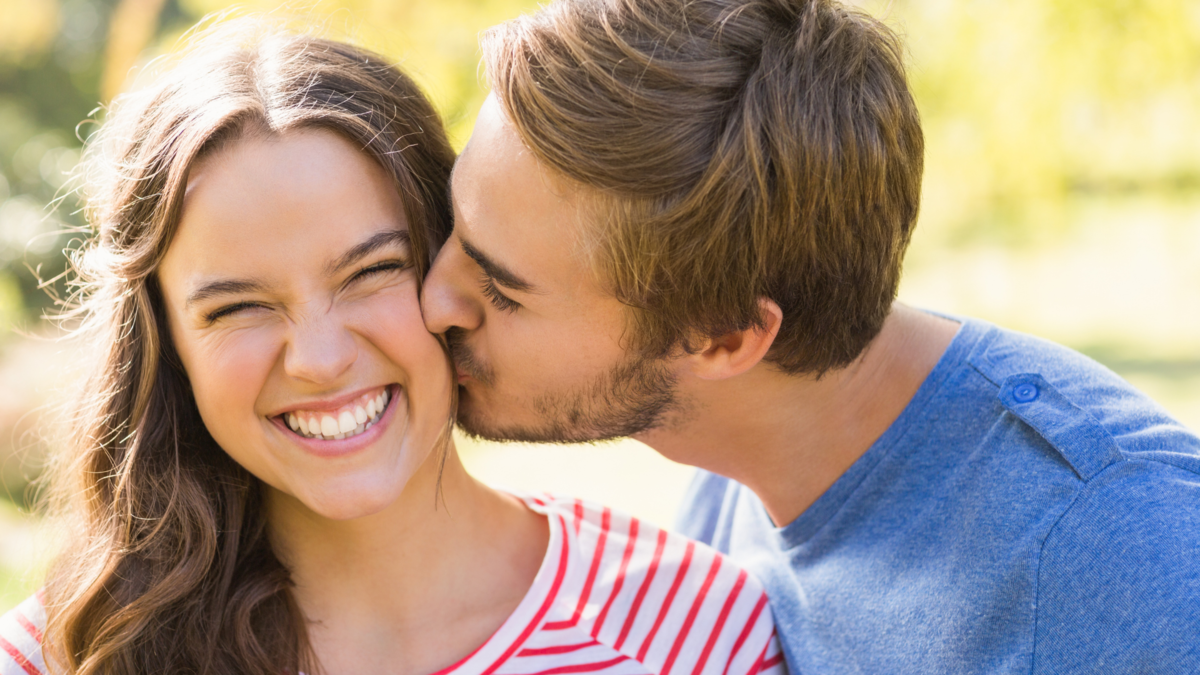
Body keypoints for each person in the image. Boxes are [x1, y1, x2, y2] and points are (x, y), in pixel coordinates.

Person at [419, 0, 1200, 672]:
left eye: (500, 287)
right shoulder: (735, 461)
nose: (432, 300)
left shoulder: (1123, 550)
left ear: (725, 339)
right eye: (455, 224)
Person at [0, 19, 785, 675]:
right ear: (168, 344)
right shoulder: (64, 653)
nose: (318, 356)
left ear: (454, 266)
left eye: (371, 272)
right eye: (238, 307)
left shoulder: (694, 629)